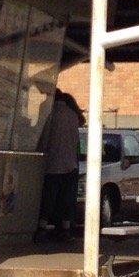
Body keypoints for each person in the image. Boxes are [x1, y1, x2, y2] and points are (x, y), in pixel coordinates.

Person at [37, 90, 84, 237]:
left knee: (48, 198)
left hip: (52, 163)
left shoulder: (50, 114)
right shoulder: (73, 116)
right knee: (66, 198)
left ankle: (42, 227)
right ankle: (65, 228)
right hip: (70, 163)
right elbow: (75, 140)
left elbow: (44, 139)